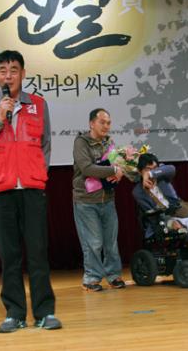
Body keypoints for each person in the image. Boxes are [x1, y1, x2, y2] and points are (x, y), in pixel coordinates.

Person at [0, 50, 61, 333]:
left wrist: (39, 173)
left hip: (32, 188)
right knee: (9, 255)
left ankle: (44, 312)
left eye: (14, 70)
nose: (8, 76)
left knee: (38, 253)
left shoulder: (39, 105)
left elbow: (45, 144)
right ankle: (14, 313)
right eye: (3, 70)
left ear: (23, 74)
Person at [72, 108, 126, 292]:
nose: (106, 126)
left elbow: (117, 165)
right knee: (93, 242)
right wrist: (113, 171)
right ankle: (91, 279)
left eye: (108, 123)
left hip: (108, 198)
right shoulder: (81, 142)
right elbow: (87, 168)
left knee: (111, 242)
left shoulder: (109, 142)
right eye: (102, 122)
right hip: (86, 201)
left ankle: (114, 276)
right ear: (91, 123)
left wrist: (120, 171)